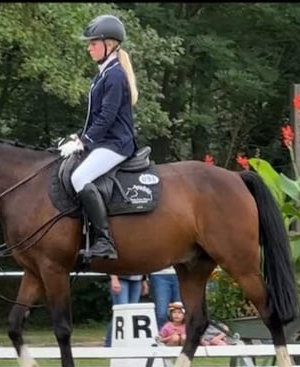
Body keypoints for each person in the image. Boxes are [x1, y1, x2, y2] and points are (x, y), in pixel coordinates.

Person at [58, 14, 139, 261]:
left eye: (93, 43)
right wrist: (78, 136)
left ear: (110, 44)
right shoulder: (104, 73)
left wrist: (84, 142)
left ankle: (105, 241)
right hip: (105, 141)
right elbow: (95, 117)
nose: (89, 47)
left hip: (116, 144)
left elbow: (107, 116)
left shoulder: (114, 75)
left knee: (80, 177)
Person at [104, 274, 148, 346]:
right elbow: (111, 263)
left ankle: (127, 344)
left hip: (137, 280)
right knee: (121, 314)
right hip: (121, 278)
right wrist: (114, 278)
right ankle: (108, 344)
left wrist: (143, 280)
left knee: (131, 315)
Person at [158, 301, 228, 346]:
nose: (176, 315)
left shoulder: (187, 325)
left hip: (187, 345)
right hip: (171, 344)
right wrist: (170, 337)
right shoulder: (168, 326)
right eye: (174, 313)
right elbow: (160, 339)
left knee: (184, 336)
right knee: (175, 337)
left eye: (179, 313)